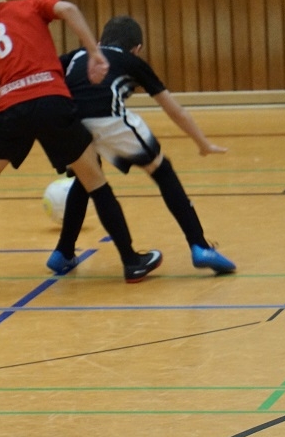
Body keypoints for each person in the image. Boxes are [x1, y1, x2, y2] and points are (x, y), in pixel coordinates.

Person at [0, 0, 162, 291]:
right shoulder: (30, 6)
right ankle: (131, 261)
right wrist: (95, 52)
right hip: (53, 103)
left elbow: (11, 81)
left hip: (14, 110)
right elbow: (68, 9)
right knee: (94, 181)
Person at [46, 16, 236, 276]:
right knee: (162, 170)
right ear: (137, 49)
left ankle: (63, 253)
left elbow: (40, 75)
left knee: (87, 178)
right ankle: (200, 246)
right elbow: (174, 110)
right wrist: (202, 143)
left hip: (66, 121)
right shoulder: (131, 61)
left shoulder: (77, 55)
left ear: (98, 42)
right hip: (107, 119)